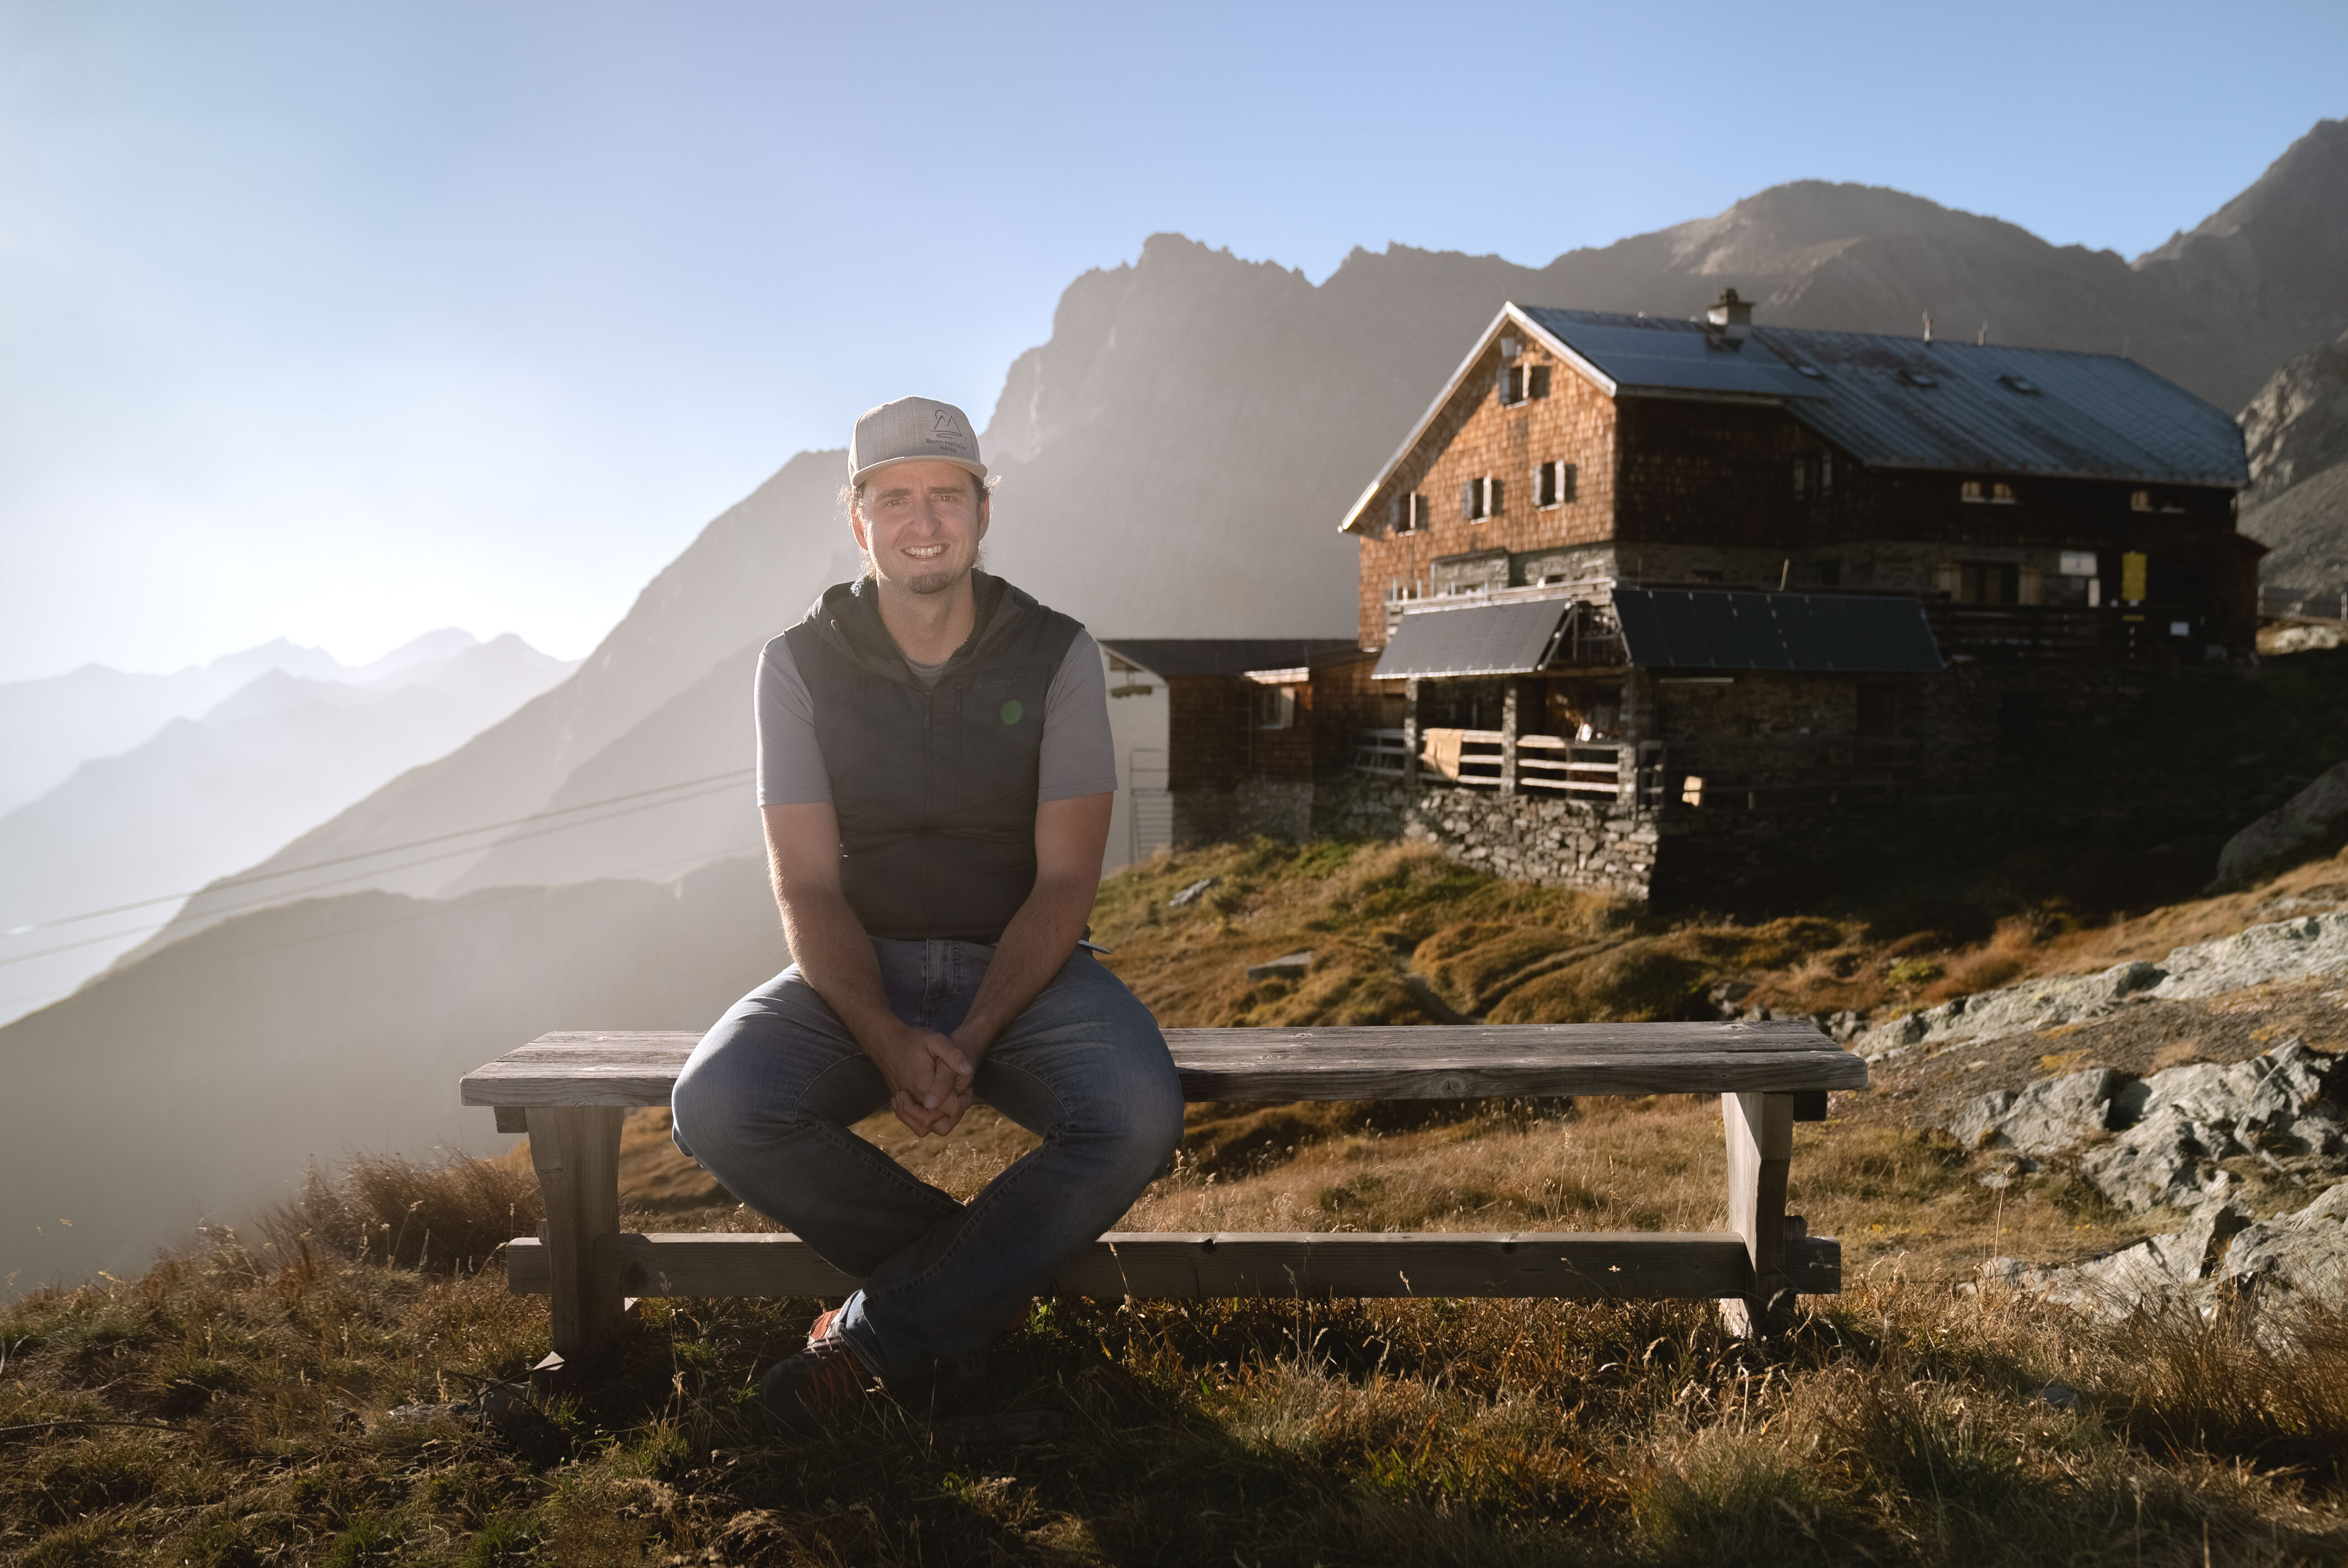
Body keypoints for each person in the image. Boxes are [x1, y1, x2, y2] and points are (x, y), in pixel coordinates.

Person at [670, 395, 1184, 1428]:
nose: (923, 519)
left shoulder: (1057, 652)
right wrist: (885, 1034)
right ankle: (970, 1296)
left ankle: (880, 1339)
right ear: (856, 519)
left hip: (1028, 973)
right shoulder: (795, 664)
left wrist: (976, 1027)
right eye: (894, 497)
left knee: (1135, 1114)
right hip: (859, 966)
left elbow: (1063, 885)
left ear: (984, 513)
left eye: (948, 494)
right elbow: (807, 887)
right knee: (717, 1103)